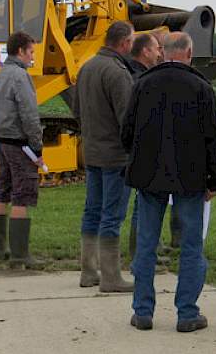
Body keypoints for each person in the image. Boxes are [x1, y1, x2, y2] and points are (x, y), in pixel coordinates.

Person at [122, 32, 216, 333]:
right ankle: (187, 312)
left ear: (163, 52)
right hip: (190, 177)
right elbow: (214, 139)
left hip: (149, 175)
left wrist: (139, 157)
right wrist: (214, 178)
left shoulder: (142, 85)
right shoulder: (202, 88)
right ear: (190, 53)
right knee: (191, 244)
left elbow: (126, 132)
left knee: (146, 243)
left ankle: (142, 311)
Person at [73, 21, 136, 292]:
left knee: (92, 211)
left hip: (93, 152)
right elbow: (127, 118)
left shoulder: (86, 67)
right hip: (115, 156)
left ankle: (89, 271)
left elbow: (76, 109)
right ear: (124, 43)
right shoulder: (118, 72)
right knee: (112, 215)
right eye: (132, 41)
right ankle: (111, 276)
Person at [0, 31, 45, 269]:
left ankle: (0, 250)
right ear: (20, 51)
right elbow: (30, 114)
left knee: (3, 192)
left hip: (0, 141)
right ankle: (20, 256)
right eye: (31, 52)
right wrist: (37, 146)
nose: (32, 57)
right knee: (22, 195)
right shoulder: (20, 77)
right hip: (19, 144)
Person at [123, 32, 164, 263]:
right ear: (146, 51)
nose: (159, 53)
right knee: (143, 204)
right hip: (143, 149)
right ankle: (141, 254)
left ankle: (144, 252)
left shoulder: (130, 72)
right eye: (157, 48)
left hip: (135, 147)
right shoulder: (139, 78)